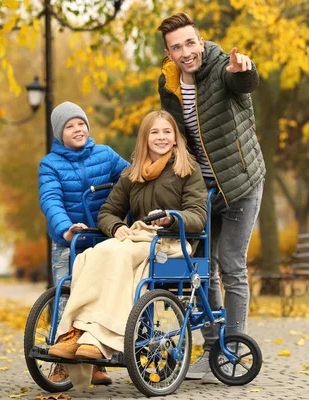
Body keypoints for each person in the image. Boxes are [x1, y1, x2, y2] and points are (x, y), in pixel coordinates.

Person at [47, 110, 207, 390]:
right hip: (136, 237)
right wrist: (117, 227)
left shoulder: (187, 169)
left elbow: (198, 215)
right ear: (145, 138)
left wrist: (171, 217)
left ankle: (97, 339)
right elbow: (108, 211)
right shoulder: (133, 172)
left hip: (170, 241)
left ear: (175, 137)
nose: (161, 137)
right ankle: (76, 332)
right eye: (154, 132)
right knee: (92, 254)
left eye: (166, 132)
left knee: (116, 255)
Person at [156, 13, 265, 384]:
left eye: (190, 43)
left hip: (240, 183)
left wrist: (244, 69)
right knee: (202, 269)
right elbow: (176, 135)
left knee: (231, 264)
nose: (186, 52)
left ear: (200, 42)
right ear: (168, 53)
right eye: (176, 47)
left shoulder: (221, 66)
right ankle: (213, 350)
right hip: (202, 192)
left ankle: (234, 347)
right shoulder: (169, 82)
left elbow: (243, 80)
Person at [38, 101, 129, 386]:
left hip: (102, 240)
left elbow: (131, 178)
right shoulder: (50, 164)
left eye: (81, 124)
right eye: (70, 126)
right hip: (70, 241)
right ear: (59, 133)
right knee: (68, 298)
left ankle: (95, 362)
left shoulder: (106, 154)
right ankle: (62, 365)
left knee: (100, 299)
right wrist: (65, 228)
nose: (77, 129)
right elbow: (50, 199)